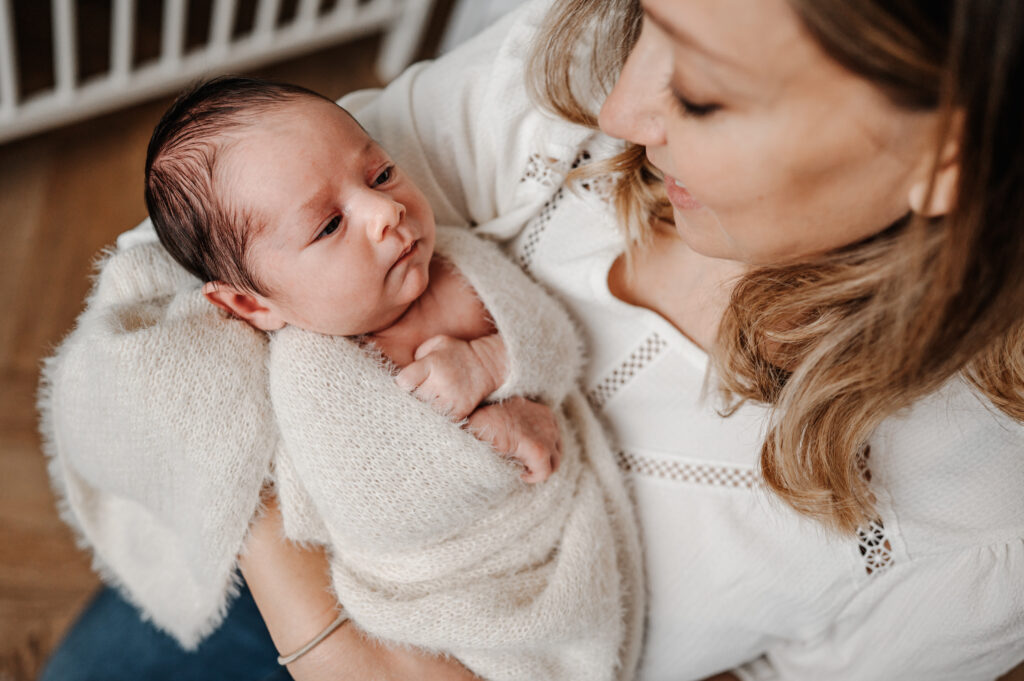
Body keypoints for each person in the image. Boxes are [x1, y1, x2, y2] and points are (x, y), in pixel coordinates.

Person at [40, 0, 1024, 679]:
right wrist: (316, 611)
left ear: (943, 154)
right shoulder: (567, 77)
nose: (618, 111)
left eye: (706, 96)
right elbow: (186, 238)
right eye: (648, 20)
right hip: (256, 556)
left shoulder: (974, 527)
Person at [41, 76, 644, 681]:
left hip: (529, 564)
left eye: (380, 174)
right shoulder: (313, 371)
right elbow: (378, 505)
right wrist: (499, 433)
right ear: (253, 307)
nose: (387, 212)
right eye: (329, 226)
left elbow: (553, 344)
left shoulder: (456, 264)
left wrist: (491, 362)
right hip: (420, 586)